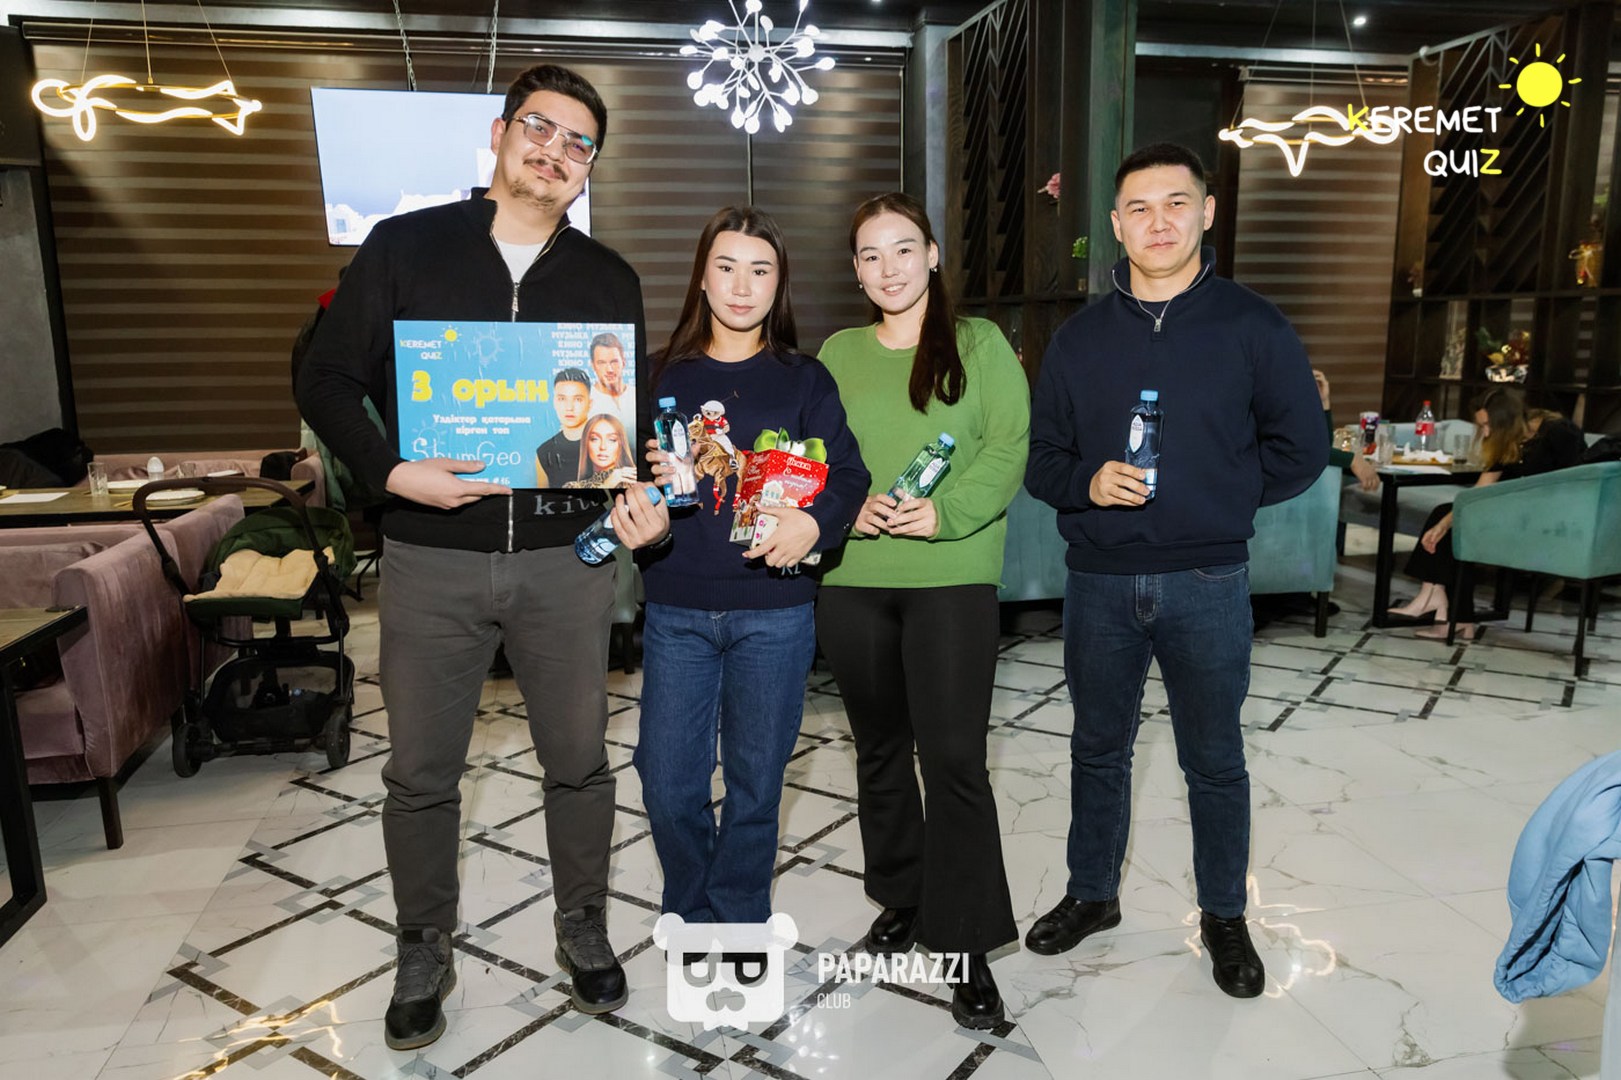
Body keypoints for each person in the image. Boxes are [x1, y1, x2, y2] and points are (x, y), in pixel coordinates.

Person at [296, 63, 668, 1051]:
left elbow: (615, 427)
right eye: (539, 128)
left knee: (579, 763)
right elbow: (323, 376)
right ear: (500, 135)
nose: (555, 151)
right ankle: (423, 945)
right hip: (432, 559)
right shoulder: (404, 246)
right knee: (420, 772)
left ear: (589, 167)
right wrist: (390, 472)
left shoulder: (608, 279)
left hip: (564, 562)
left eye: (579, 141)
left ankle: (582, 924)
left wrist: (637, 493)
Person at [1023, 143, 1325, 999]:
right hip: (1100, 581)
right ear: (1115, 225)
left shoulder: (1252, 325)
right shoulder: (1078, 339)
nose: (1157, 222)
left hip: (1209, 582)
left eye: (1174, 203)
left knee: (1214, 760)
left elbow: (1301, 447)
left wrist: (1220, 497)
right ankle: (1092, 894)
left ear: (1206, 212)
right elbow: (1042, 460)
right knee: (1096, 750)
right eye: (1138, 208)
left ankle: (1223, 915)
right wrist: (1085, 483)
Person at [815, 192, 1029, 1030]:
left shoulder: (978, 345)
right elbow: (815, 456)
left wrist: (945, 514)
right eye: (870, 255)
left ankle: (965, 942)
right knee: (877, 751)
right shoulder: (837, 353)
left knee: (953, 759)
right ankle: (902, 898)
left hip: (951, 576)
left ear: (933, 254)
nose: (889, 268)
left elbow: (1006, 446)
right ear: (855, 270)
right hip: (853, 579)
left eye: (903, 248)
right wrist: (847, 505)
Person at [632, 205, 868, 930]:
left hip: (776, 612)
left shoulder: (804, 379)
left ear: (778, 283)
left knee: (755, 786)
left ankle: (737, 917)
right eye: (727, 267)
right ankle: (690, 907)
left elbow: (849, 477)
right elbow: (618, 480)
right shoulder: (655, 374)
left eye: (759, 270)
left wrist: (814, 523)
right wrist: (637, 513)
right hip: (676, 608)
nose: (742, 286)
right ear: (702, 278)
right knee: (666, 782)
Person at [1390, 388, 1586, 639]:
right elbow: (1480, 490)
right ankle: (1440, 598)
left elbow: (1577, 483)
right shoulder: (1506, 441)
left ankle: (1447, 606)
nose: (1485, 432)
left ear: (1506, 420)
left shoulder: (1559, 433)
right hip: (1516, 513)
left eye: (1487, 425)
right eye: (1481, 425)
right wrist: (1444, 524)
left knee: (1457, 520)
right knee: (1447, 514)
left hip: (1554, 521)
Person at [533, 367, 592, 486]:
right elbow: (542, 496)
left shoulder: (606, 444)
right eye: (562, 399)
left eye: (578, 399)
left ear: (590, 403)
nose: (569, 407)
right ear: (554, 402)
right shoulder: (544, 452)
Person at [564, 412, 637, 487]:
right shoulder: (573, 486)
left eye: (612, 439)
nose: (603, 447)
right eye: (594, 439)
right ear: (586, 443)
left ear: (621, 445)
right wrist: (607, 485)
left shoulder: (634, 483)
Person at [588, 331, 636, 430]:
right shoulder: (585, 401)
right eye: (601, 363)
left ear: (623, 362)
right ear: (593, 366)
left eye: (614, 362)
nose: (609, 369)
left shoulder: (636, 395)